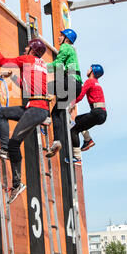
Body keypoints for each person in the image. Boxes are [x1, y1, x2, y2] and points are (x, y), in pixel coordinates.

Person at [0, 39, 49, 204]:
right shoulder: (41, 64)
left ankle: (17, 183)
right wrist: (13, 77)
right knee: (2, 113)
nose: (25, 48)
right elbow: (26, 86)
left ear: (32, 50)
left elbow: (1, 61)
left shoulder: (27, 59)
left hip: (36, 108)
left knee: (15, 144)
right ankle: (4, 150)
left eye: (27, 46)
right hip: (36, 107)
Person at [45, 29, 82, 158]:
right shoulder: (72, 50)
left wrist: (43, 67)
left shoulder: (66, 46)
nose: (59, 37)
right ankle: (57, 141)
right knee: (56, 112)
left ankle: (40, 112)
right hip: (75, 87)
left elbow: (58, 64)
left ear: (67, 39)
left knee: (46, 86)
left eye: (61, 35)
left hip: (70, 82)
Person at [69, 64, 107, 165]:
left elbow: (80, 95)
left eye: (89, 68)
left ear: (92, 71)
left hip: (96, 112)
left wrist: (70, 104)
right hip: (102, 114)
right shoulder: (97, 83)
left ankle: (76, 157)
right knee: (78, 119)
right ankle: (88, 139)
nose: (87, 69)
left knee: (74, 130)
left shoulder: (89, 81)